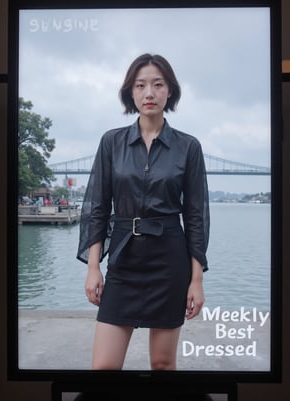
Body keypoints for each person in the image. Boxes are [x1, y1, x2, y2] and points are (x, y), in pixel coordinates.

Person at [77, 53, 210, 370]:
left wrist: (197, 280)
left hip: (170, 262)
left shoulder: (188, 147)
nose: (149, 93)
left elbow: (195, 218)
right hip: (124, 260)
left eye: (157, 84)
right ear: (130, 92)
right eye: (140, 85)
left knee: (163, 365)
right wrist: (93, 266)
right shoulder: (111, 142)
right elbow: (97, 207)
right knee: (103, 369)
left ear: (170, 91)